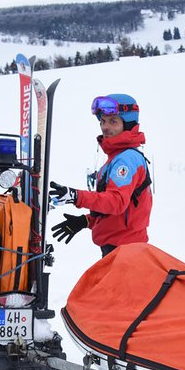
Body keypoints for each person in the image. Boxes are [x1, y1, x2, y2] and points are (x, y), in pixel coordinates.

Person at [50, 93, 152, 257]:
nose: (105, 127)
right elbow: (120, 212)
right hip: (120, 250)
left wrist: (77, 196)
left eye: (113, 121)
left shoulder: (125, 160)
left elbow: (116, 202)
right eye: (103, 121)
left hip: (125, 253)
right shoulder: (117, 157)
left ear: (128, 124)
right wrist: (86, 221)